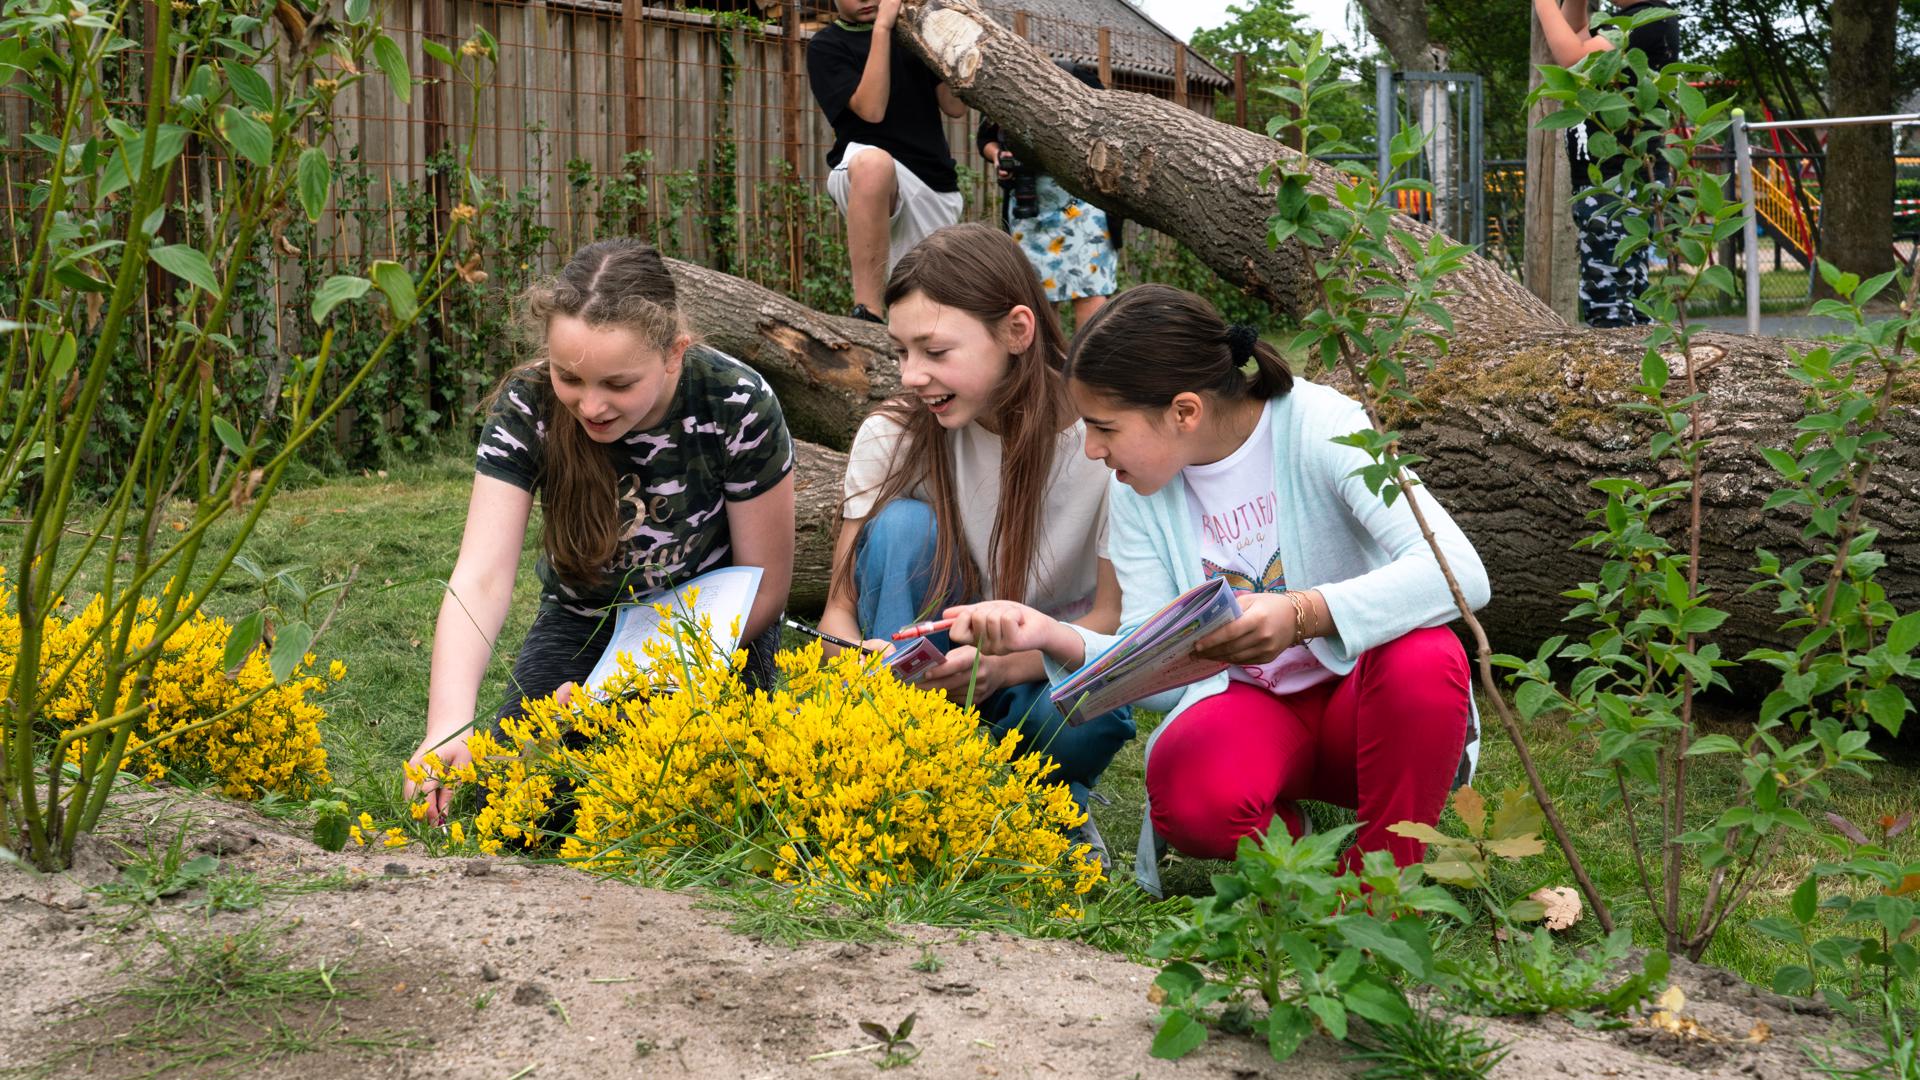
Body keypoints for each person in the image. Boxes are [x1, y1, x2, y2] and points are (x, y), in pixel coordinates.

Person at [940, 285, 1488, 895]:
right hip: (1252, 707)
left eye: (1105, 428)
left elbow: (1459, 571)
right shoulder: (1136, 490)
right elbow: (1148, 660)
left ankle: (1386, 880)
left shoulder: (1323, 425)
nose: (1093, 450)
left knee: (1427, 654)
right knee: (1190, 800)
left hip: (1365, 706)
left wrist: (1304, 612)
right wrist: (1048, 635)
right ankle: (1304, 854)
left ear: (1184, 411)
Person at [404, 239, 797, 821]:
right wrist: (447, 725)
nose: (590, 406)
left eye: (618, 385)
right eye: (570, 378)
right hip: (583, 623)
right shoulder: (528, 406)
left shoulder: (735, 401)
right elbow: (482, 577)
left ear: (674, 353)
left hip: (715, 634)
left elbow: (766, 587)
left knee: (700, 803)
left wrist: (629, 688)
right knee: (519, 810)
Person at [816, 222, 1135, 859]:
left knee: (1085, 718)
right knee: (902, 526)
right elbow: (839, 615)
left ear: (1017, 331)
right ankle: (911, 775)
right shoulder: (894, 434)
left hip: (1040, 675)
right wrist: (858, 665)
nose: (910, 375)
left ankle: (1025, 801)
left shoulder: (1102, 444)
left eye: (934, 351)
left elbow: (1110, 618)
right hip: (928, 670)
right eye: (902, 351)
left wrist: (999, 669)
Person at [807, 0, 969, 323]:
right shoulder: (826, 46)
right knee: (873, 165)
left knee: (933, 313)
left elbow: (955, 107)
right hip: (862, 173)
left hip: (931, 182)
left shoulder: (914, 35)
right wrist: (882, 29)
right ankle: (867, 312)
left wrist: (957, 34)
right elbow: (872, 110)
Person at [1533, 0, 1682, 327]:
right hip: (1607, 181)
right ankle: (1643, 366)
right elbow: (1576, 33)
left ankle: (1620, 373)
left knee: (1609, 303)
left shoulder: (1645, 22)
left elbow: (1574, 58)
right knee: (1628, 293)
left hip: (1617, 184)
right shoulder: (1624, 22)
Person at [976, 61, 1121, 326]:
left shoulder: (1079, 78)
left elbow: (1110, 124)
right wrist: (999, 156)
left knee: (1090, 291)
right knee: (1037, 298)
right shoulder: (1004, 88)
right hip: (1028, 205)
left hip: (1084, 205)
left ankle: (1088, 366)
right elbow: (984, 139)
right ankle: (1046, 367)